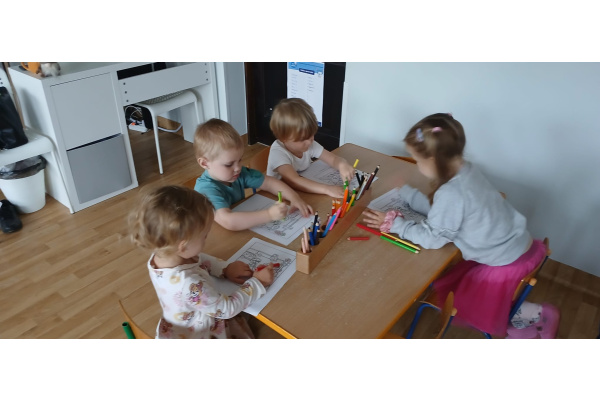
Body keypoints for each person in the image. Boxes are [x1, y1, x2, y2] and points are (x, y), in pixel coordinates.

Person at [362, 113, 559, 338]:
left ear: (433, 160)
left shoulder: (452, 193)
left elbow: (433, 239)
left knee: (470, 303)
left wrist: (395, 224)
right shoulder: (466, 170)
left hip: (505, 261)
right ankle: (524, 318)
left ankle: (537, 315)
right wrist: (408, 194)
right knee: (463, 286)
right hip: (516, 246)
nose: (417, 165)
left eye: (417, 160)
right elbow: (444, 213)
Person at [129, 185, 277, 339]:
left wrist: (225, 269)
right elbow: (226, 309)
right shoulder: (189, 284)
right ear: (183, 246)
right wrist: (258, 283)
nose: (207, 239)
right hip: (200, 333)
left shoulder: (163, 254)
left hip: (184, 320)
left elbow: (199, 259)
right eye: (204, 236)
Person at [193, 118, 313, 231]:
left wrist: (294, 198)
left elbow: (270, 183)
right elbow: (228, 221)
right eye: (229, 164)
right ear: (204, 163)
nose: (238, 168)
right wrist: (269, 215)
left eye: (240, 160)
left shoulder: (237, 174)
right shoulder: (206, 190)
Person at [266, 98, 355, 198]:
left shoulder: (308, 143)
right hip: (277, 198)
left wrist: (342, 164)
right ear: (284, 138)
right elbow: (294, 181)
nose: (309, 142)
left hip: (302, 192)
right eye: (302, 139)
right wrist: (327, 189)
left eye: (311, 135)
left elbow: (333, 159)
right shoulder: (278, 153)